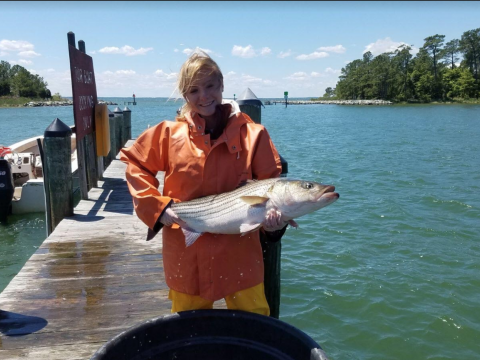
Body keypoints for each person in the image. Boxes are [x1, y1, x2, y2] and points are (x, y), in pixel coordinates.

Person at [120, 51, 288, 316]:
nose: (204, 96)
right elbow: (136, 164)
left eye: (210, 86)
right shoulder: (168, 134)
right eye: (194, 90)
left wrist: (275, 228)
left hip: (241, 255)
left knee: (255, 328)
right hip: (187, 256)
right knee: (188, 333)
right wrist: (158, 208)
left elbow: (272, 190)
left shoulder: (255, 135)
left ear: (222, 85)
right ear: (185, 95)